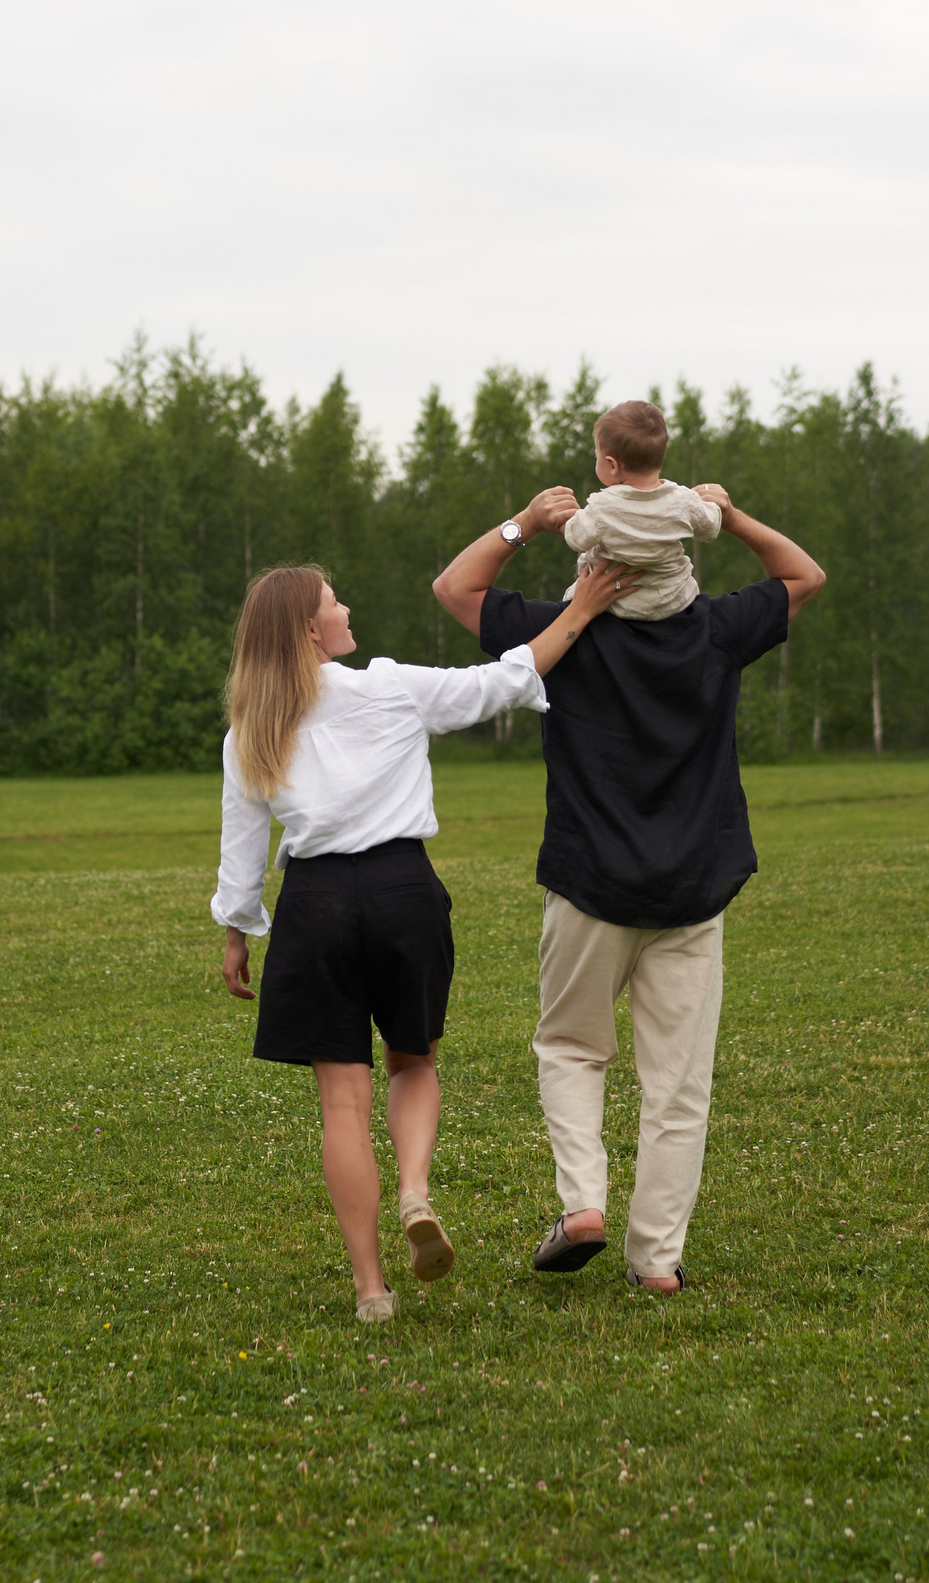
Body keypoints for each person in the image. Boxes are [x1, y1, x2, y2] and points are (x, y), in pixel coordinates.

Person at [432, 449, 825, 1294]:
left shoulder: (560, 633)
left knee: (571, 1048)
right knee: (677, 1085)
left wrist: (524, 523)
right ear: (676, 541)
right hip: (693, 887)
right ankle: (656, 1263)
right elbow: (804, 575)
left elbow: (454, 590)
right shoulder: (718, 630)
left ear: (596, 551)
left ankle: (582, 1205)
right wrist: (728, 511)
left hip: (589, 883)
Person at [212, 558, 636, 1322]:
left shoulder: (251, 728)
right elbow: (503, 680)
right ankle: (414, 1188)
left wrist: (240, 932)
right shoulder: (386, 685)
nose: (346, 606)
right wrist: (582, 611)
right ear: (312, 630)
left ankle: (371, 1288)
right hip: (405, 893)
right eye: (334, 600)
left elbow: (241, 852)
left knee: (342, 1101)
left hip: (315, 908)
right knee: (413, 1061)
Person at [558, 398, 723, 620]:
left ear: (612, 465)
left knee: (571, 598)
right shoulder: (685, 501)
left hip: (615, 606)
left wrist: (563, 520)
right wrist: (711, 503)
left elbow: (577, 538)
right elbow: (710, 529)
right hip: (673, 603)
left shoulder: (602, 507)